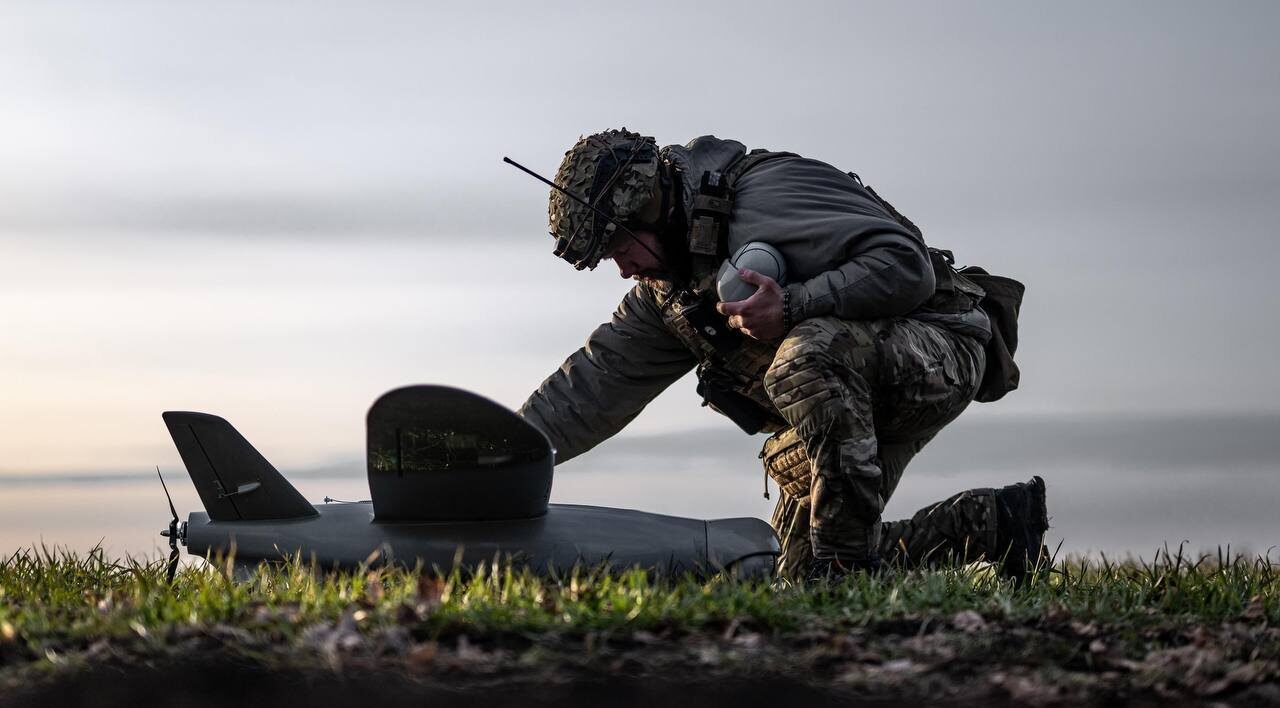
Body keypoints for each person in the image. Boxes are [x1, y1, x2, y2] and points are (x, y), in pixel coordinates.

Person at [517, 128, 1047, 582]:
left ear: (649, 208)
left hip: (940, 347)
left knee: (805, 361)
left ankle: (844, 569)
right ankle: (991, 524)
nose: (623, 269)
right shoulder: (667, 295)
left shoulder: (769, 195)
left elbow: (907, 266)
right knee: (793, 574)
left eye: (619, 249)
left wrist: (793, 305)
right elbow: (591, 386)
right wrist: (497, 455)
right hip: (845, 394)